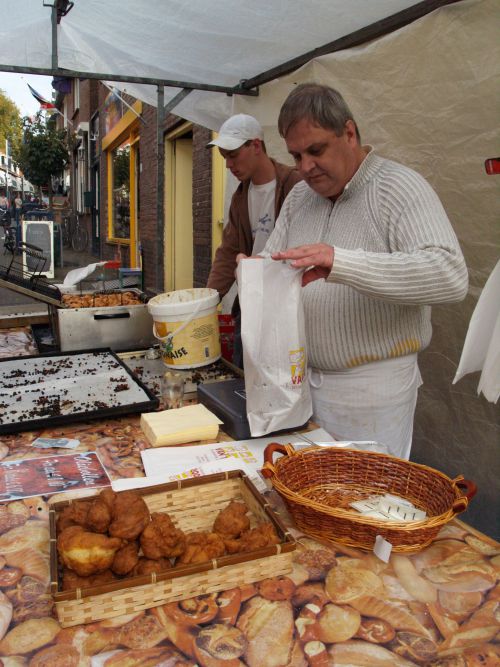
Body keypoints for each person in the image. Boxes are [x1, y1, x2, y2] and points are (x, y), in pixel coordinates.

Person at [239, 84, 468, 459]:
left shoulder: (398, 187)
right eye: (296, 155)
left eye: (316, 150)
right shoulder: (298, 197)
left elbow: (449, 274)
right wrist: (253, 273)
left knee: (367, 505)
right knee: (308, 503)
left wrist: (340, 262)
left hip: (372, 391)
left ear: (349, 132)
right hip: (301, 385)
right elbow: (275, 263)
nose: (305, 167)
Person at [207, 113, 302, 367]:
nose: (228, 165)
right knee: (242, 386)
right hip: (251, 308)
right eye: (224, 158)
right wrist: (207, 300)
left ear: (256, 145)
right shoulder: (240, 197)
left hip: (289, 309)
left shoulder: (296, 184)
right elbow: (228, 251)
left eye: (233, 155)